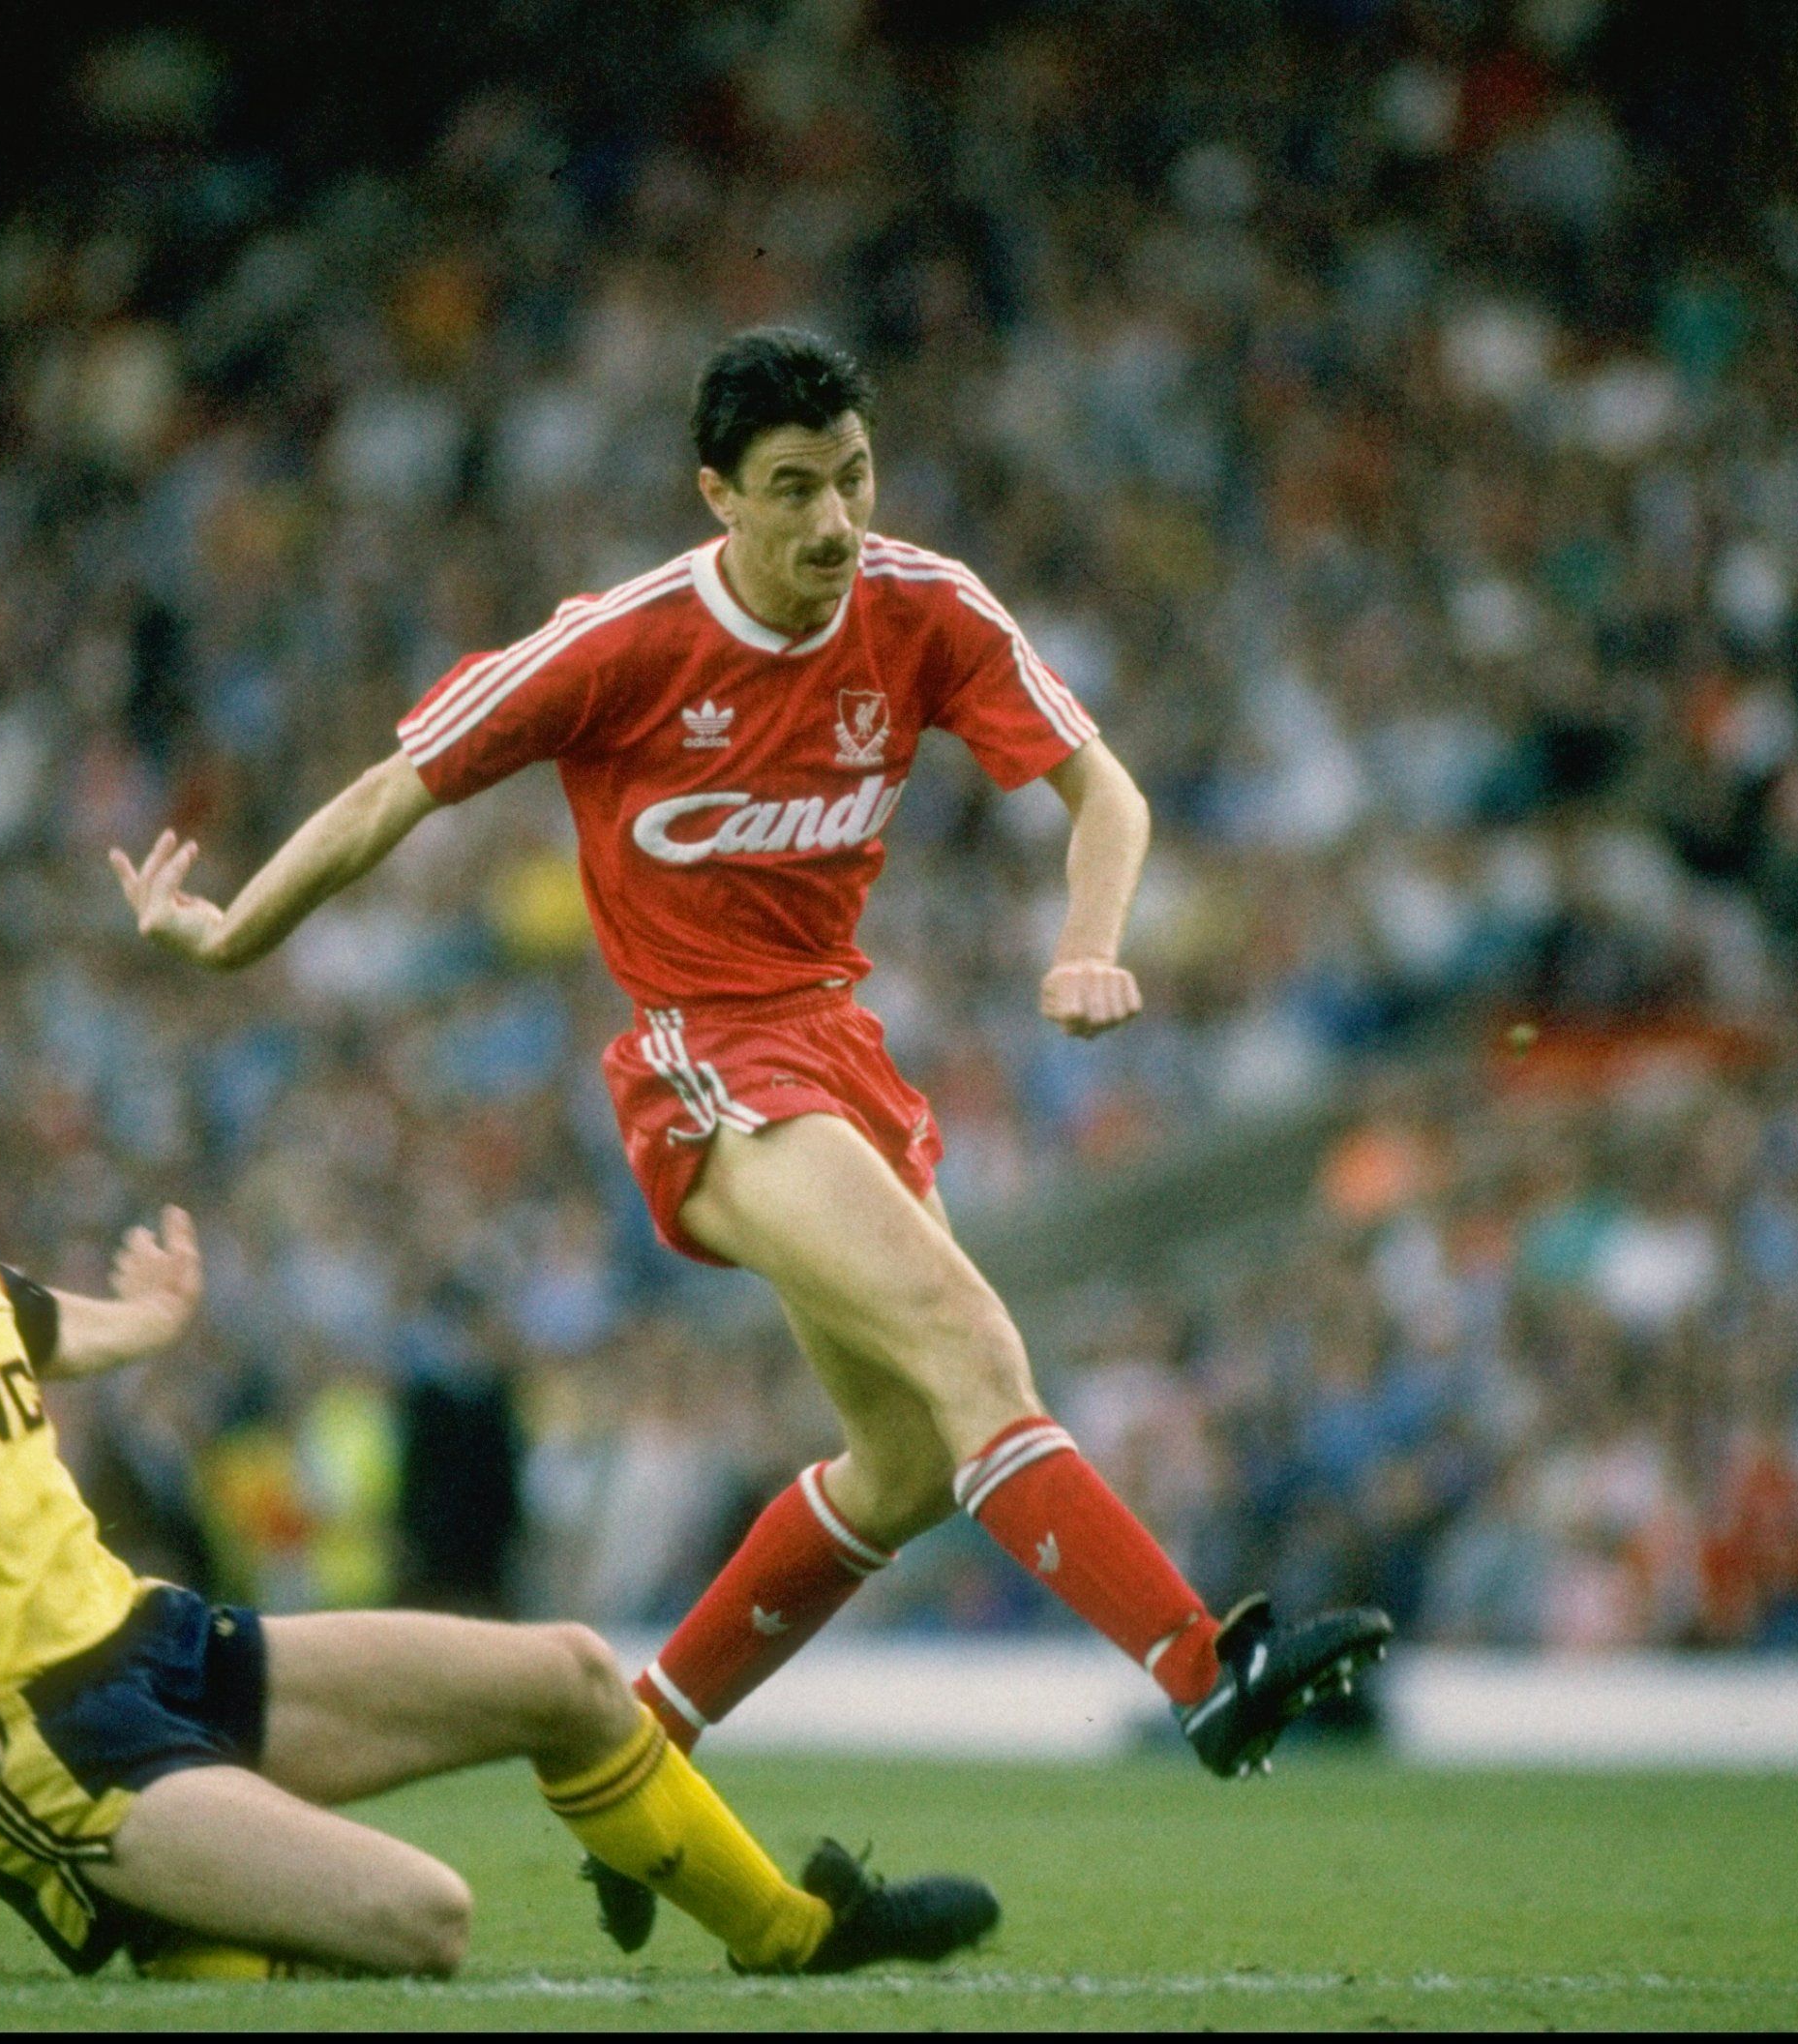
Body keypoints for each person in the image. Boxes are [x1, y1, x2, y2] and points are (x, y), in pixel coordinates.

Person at [110, 328, 1390, 1857]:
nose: (834, 520)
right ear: (718, 493)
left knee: (912, 1463)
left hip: (835, 1052)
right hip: (699, 1057)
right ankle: (1205, 1669)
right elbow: (401, 787)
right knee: (970, 1340)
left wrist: (1088, 942)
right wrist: (232, 931)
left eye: (853, 476)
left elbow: (1105, 790)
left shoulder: (923, 606)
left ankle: (637, 1753)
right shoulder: (623, 642)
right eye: (792, 489)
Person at [0, 982, 997, 1981]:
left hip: (173, 1652)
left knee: (577, 1677)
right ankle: (170, 1928)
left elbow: (74, 1332)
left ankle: (798, 1937)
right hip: (46, 1744)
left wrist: (152, 1317)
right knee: (425, 1922)